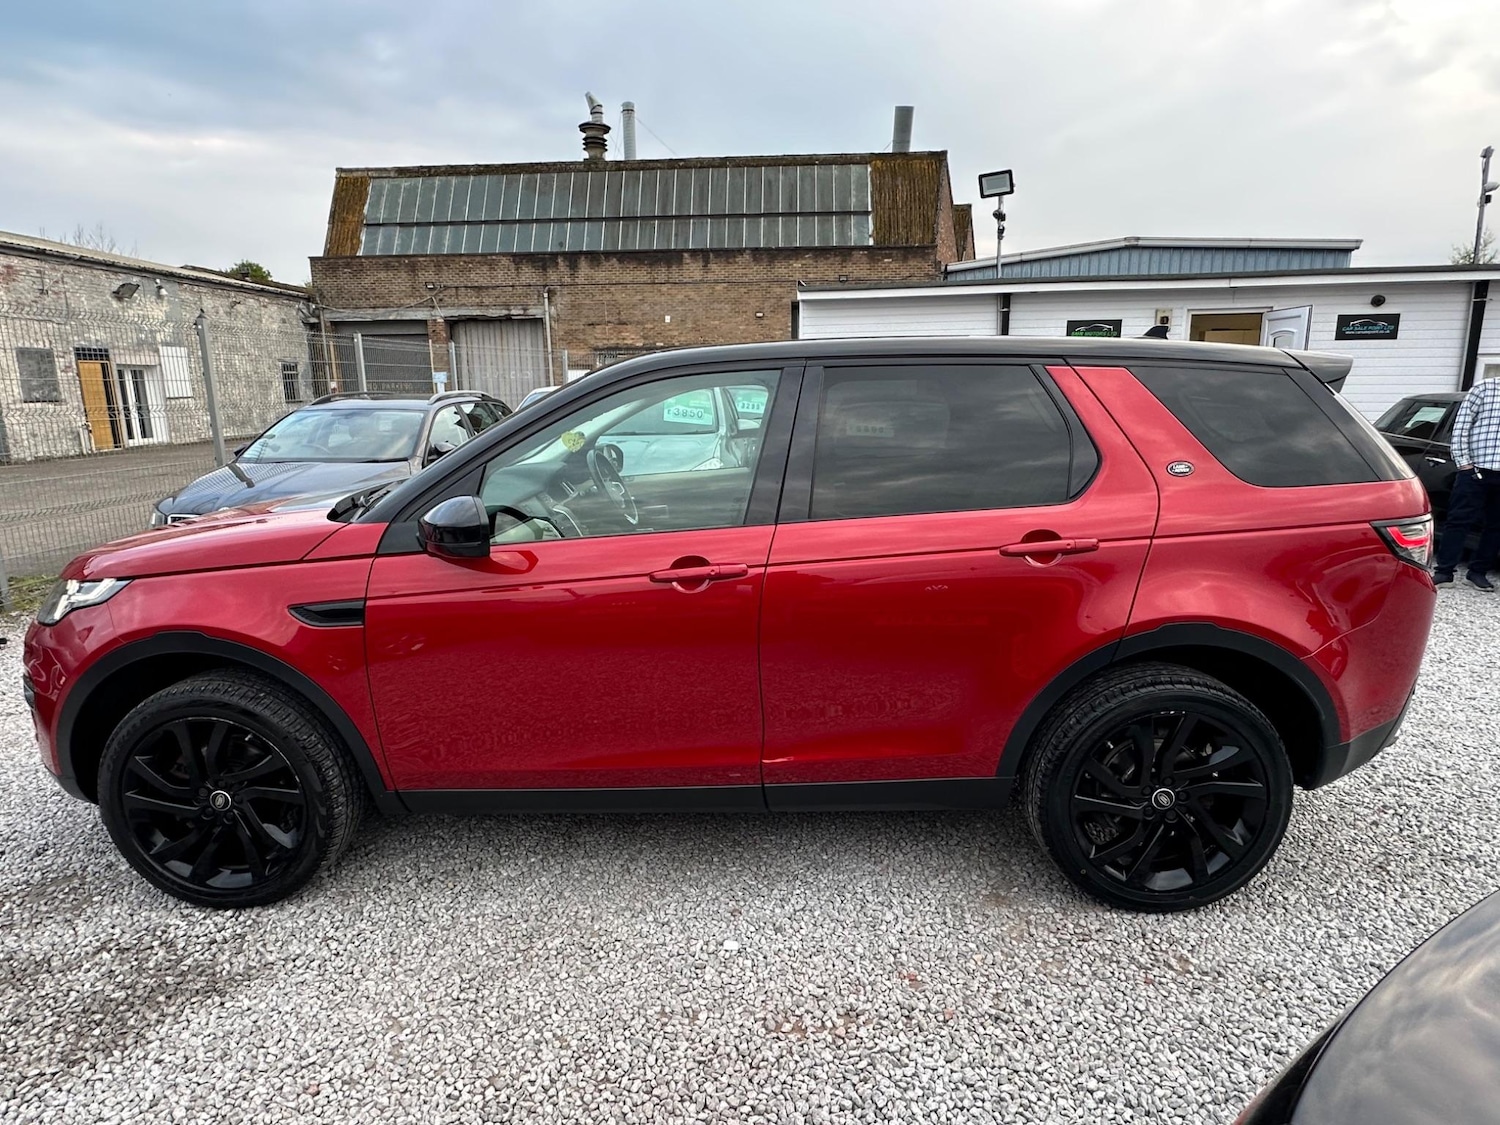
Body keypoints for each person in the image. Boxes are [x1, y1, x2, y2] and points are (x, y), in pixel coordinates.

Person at [1433, 376, 1500, 591]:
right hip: (1475, 470)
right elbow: (1461, 427)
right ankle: (1444, 572)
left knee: (1496, 527)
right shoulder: (1484, 388)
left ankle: (1478, 573)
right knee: (1458, 521)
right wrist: (1465, 464)